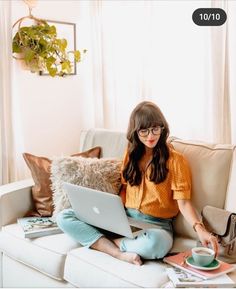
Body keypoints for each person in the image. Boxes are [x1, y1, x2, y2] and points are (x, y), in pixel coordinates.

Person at [57, 101, 219, 266]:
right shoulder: (131, 154)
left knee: (157, 244)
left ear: (163, 128)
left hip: (157, 227)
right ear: (135, 132)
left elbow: (183, 203)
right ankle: (118, 252)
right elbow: (124, 189)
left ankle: (108, 244)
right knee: (64, 216)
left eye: (156, 129)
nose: (151, 136)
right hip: (125, 219)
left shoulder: (176, 160)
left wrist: (200, 229)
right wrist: (111, 215)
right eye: (144, 131)